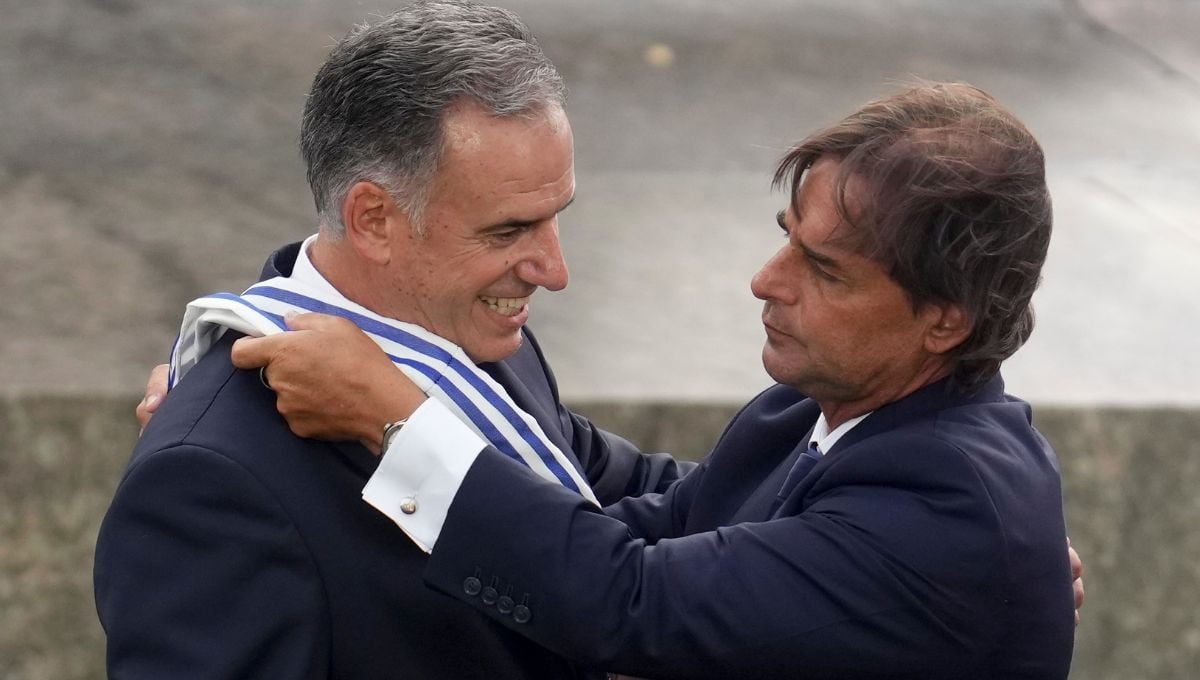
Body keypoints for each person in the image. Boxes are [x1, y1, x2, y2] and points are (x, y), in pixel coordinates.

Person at [230, 81, 1078, 678]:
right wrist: (272, 455)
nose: (767, 280)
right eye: (786, 235)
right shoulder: (809, 409)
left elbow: (626, 600)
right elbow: (642, 524)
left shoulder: (949, 514)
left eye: (825, 269)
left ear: (946, 319)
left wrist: (396, 418)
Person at [94, 3, 689, 679]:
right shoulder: (209, 480)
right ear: (374, 218)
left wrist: (831, 477)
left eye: (555, 219)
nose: (554, 271)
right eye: (507, 231)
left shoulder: (483, 338)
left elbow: (637, 500)